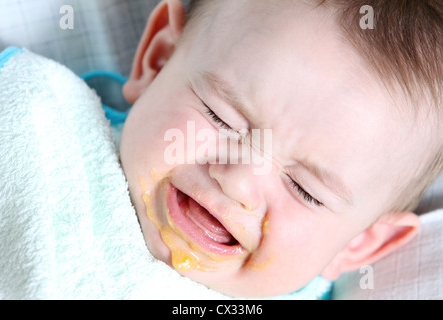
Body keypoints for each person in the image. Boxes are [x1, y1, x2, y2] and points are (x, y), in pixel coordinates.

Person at [118, 0, 442, 298]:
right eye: (222, 119)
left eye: (305, 191)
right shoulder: (67, 122)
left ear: (358, 242)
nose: (239, 181)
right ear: (159, 60)